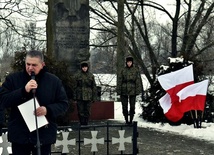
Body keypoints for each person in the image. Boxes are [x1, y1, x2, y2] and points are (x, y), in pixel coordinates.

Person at [0, 50, 68, 155]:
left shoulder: (54, 81)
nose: (30, 68)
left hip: (43, 136)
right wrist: (23, 91)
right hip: (20, 135)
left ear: (42, 64)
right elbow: (3, 100)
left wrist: (48, 110)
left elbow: (63, 104)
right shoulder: (13, 79)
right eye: (28, 64)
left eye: (34, 65)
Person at [117, 56, 143, 124]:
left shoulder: (135, 70)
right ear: (126, 62)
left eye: (130, 62)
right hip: (124, 89)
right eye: (128, 62)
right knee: (124, 106)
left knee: (132, 106)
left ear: (132, 62)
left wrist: (138, 90)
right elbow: (119, 80)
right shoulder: (123, 70)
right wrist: (119, 90)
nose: (129, 63)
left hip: (133, 89)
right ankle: (126, 119)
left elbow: (138, 80)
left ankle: (131, 119)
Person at [73, 61, 97, 126]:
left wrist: (94, 97)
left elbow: (94, 86)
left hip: (88, 95)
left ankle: (86, 122)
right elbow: (75, 86)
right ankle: (82, 122)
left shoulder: (91, 75)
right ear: (81, 68)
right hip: (80, 95)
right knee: (80, 110)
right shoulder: (77, 75)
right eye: (83, 67)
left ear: (87, 67)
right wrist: (75, 96)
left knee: (88, 110)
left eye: (85, 67)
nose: (84, 68)